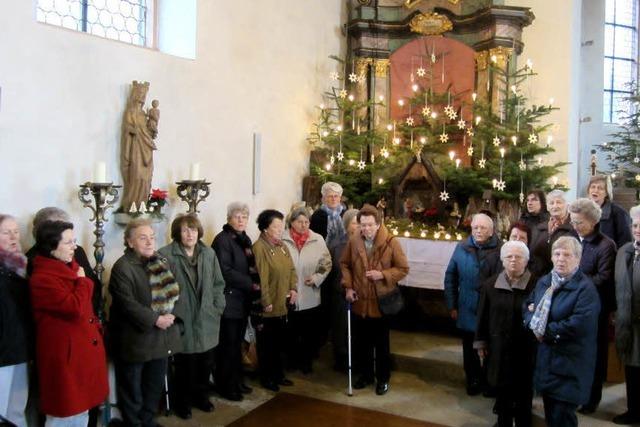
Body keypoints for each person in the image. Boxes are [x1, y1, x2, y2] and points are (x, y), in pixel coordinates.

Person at [29, 220, 108, 426]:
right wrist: (83, 282)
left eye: (74, 240)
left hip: (81, 355)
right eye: (68, 242)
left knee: (81, 414)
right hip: (65, 360)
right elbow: (74, 308)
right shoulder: (42, 279)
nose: (75, 246)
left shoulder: (71, 268)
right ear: (51, 247)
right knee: (64, 415)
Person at [109, 218, 182, 427]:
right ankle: (133, 424)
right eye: (143, 238)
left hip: (161, 338)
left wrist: (172, 315)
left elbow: (177, 291)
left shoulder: (162, 261)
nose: (150, 242)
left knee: (153, 386)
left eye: (152, 237)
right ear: (130, 242)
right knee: (132, 390)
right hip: (135, 340)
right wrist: (155, 319)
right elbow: (127, 304)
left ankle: (148, 421)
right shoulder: (123, 267)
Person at [524, 236, 600, 427]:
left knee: (563, 418)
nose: (561, 259)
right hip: (548, 363)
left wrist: (544, 331)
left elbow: (579, 323)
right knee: (552, 417)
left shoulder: (585, 289)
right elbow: (528, 305)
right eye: (557, 254)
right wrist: (531, 322)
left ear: (578, 259)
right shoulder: (545, 281)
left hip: (570, 366)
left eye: (567, 255)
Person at [158, 214, 225, 419]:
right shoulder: (165, 255)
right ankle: (183, 403)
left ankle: (201, 397)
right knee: (185, 366)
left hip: (207, 319)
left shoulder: (208, 253)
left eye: (194, 230)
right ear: (178, 233)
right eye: (185, 230)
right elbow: (159, 289)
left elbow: (217, 283)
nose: (190, 234)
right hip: (182, 320)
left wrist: (217, 307)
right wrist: (171, 313)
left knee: (205, 364)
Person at [341, 205, 409, 395]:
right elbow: (344, 264)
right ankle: (366, 375)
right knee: (362, 343)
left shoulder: (391, 242)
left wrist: (383, 274)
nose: (366, 229)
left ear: (378, 224)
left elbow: (403, 268)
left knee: (381, 344)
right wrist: (348, 286)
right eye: (363, 225)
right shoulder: (354, 241)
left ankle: (383, 379)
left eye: (370, 225)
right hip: (360, 301)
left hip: (381, 302)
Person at [475, 241, 537, 427]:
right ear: (502, 260)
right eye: (509, 256)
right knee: (502, 391)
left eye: (518, 257)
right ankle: (503, 421)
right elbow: (482, 316)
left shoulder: (536, 284)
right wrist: (480, 343)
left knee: (523, 391)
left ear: (526, 261)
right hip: (498, 348)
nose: (513, 260)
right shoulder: (490, 284)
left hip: (525, 349)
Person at [567, 198, 616, 414]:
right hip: (573, 306)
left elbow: (604, 277)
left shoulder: (606, 245)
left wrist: (575, 284)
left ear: (593, 222)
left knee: (593, 356)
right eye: (573, 221)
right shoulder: (573, 239)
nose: (574, 226)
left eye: (579, 222)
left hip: (595, 309)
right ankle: (575, 393)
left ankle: (591, 399)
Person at [444, 213, 502, 395]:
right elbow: (450, 276)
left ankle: (489, 381)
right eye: (475, 227)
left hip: (491, 309)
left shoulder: (501, 249)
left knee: (491, 347)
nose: (478, 231)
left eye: (483, 228)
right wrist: (452, 305)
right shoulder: (461, 247)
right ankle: (472, 379)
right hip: (467, 306)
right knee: (469, 348)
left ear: (491, 231)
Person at [212, 202, 259, 401]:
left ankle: (237, 381)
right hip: (229, 301)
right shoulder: (223, 240)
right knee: (228, 346)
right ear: (229, 218)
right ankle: (226, 385)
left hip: (242, 301)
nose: (241, 220)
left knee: (238, 343)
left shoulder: (244, 239)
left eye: (244, 217)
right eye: (237, 216)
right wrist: (251, 283)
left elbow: (249, 266)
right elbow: (225, 270)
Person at [26, 207, 103, 319]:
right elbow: (70, 306)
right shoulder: (33, 260)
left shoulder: (78, 251)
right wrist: (82, 282)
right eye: (59, 227)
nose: (67, 231)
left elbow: (94, 284)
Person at [282, 206, 332, 374]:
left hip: (310, 293)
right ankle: (291, 361)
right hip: (289, 293)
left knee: (309, 331)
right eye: (299, 222)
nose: (303, 225)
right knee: (290, 331)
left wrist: (317, 278)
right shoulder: (282, 239)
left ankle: (306, 362)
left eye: (306, 221)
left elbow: (326, 263)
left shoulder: (317, 239)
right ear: (291, 222)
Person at [252, 209, 298, 392]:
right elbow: (260, 278)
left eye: (281, 226)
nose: (280, 229)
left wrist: (293, 288)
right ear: (265, 228)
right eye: (276, 226)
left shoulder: (282, 246)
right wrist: (265, 300)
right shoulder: (259, 248)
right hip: (269, 305)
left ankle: (279, 374)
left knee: (280, 343)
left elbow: (292, 270)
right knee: (267, 345)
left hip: (283, 304)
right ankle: (267, 377)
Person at [0, 215, 31, 427]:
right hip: (2, 349)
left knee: (17, 408)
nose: (13, 236)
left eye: (16, 231)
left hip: (20, 346)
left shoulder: (21, 266)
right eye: (5, 232)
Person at [613, 205, 640, 425]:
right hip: (628, 320)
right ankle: (633, 410)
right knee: (632, 369)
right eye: (635, 225)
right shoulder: (625, 251)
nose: (638, 229)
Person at [327, 208, 359, 371]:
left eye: (359, 223)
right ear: (347, 225)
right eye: (354, 223)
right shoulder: (338, 244)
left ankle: (357, 360)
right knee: (341, 330)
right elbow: (335, 269)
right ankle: (341, 360)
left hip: (360, 294)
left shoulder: (366, 243)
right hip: (341, 293)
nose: (357, 226)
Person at [120, 80, 158, 212]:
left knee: (145, 178)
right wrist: (134, 130)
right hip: (136, 149)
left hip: (146, 148)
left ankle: (142, 204)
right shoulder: (130, 112)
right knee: (136, 175)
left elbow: (148, 132)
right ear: (135, 94)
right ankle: (132, 204)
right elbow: (127, 128)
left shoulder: (144, 114)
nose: (142, 97)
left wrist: (152, 127)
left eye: (144, 94)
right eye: (140, 93)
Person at [529, 190, 576, 277]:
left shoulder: (574, 228)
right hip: (540, 276)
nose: (555, 206)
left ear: (567, 205)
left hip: (564, 276)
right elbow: (532, 253)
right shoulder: (539, 228)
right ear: (547, 207)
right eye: (551, 203)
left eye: (559, 202)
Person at [588, 174, 632, 248]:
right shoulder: (583, 210)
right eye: (593, 187)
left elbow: (625, 244)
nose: (595, 190)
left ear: (606, 193)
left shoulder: (619, 213)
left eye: (600, 188)